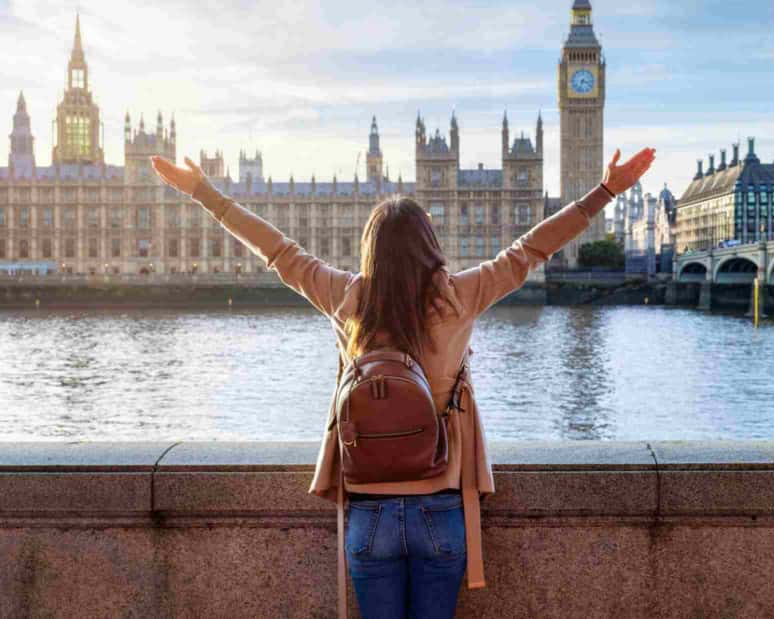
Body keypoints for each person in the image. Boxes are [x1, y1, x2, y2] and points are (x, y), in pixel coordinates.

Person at [150, 145, 654, 619]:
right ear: (429, 246)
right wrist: (605, 191)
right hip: (442, 506)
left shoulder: (346, 298)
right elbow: (531, 250)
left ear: (369, 250)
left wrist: (204, 193)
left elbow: (278, 251)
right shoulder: (460, 297)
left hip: (369, 512)